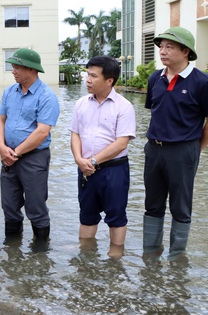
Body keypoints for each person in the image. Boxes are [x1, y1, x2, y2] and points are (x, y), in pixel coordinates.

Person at [143, 26, 208, 262]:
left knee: (181, 206)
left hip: (183, 150)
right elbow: (156, 111)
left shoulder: (201, 82)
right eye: (161, 46)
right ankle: (150, 254)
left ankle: (177, 257)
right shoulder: (155, 78)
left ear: (185, 51)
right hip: (154, 149)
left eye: (169, 46)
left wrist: (196, 148)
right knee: (152, 204)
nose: (163, 50)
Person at [69, 56, 136, 258]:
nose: (87, 79)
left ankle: (115, 257)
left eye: (93, 76)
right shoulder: (81, 103)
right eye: (87, 74)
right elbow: (75, 133)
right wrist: (78, 159)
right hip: (86, 169)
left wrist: (93, 161)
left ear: (109, 81)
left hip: (113, 170)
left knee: (116, 215)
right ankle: (85, 253)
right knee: (87, 214)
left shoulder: (124, 107)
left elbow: (121, 143)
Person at [0, 48, 60, 244]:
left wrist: (14, 153)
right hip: (7, 156)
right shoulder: (9, 92)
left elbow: (42, 132)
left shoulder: (47, 96)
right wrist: (1, 147)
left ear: (31, 69)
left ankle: (39, 254)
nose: (13, 71)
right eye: (12, 67)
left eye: (16, 67)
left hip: (33, 158)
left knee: (35, 206)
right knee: (9, 206)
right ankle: (12, 251)